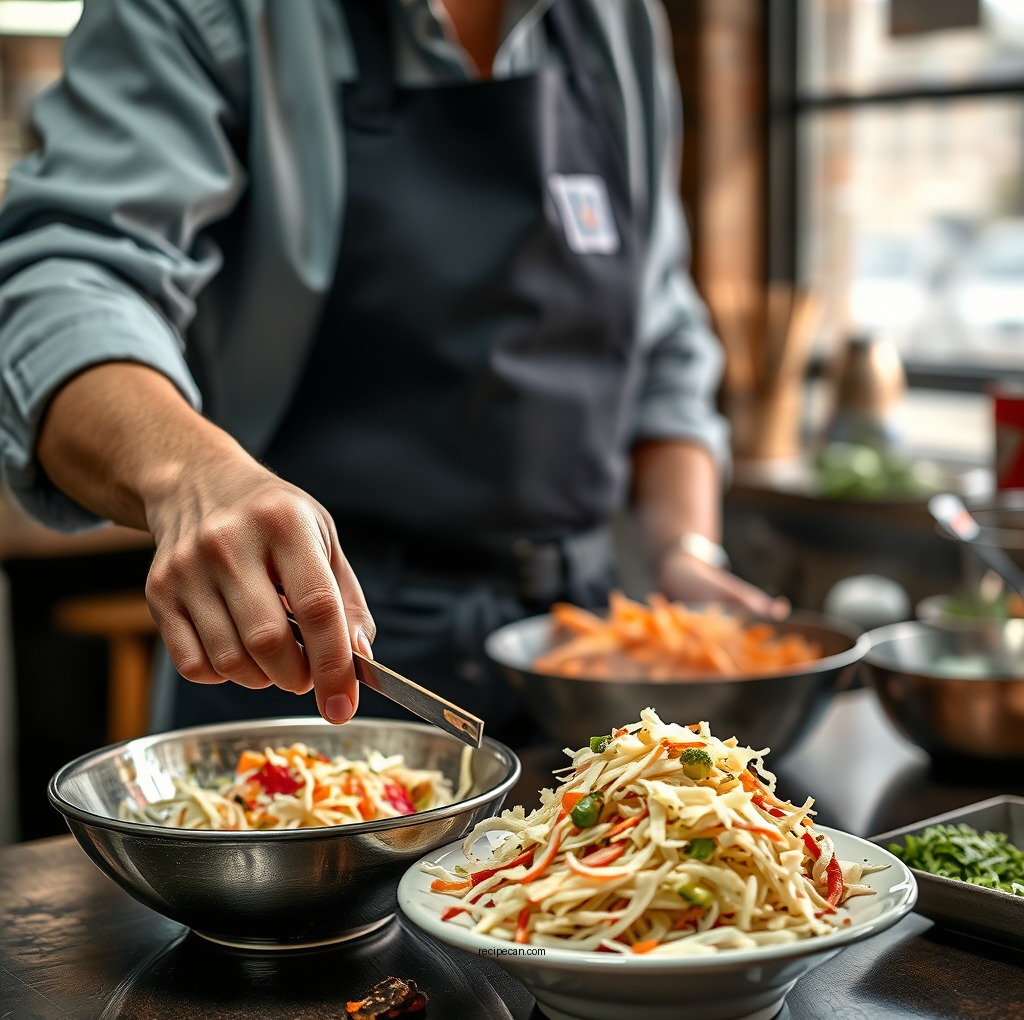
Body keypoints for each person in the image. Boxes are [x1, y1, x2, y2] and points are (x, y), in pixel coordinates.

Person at [0, 0, 784, 745]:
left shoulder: (614, 20)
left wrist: (685, 550)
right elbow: (64, 280)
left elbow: (662, 328)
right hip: (307, 650)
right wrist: (190, 475)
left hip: (579, 658)